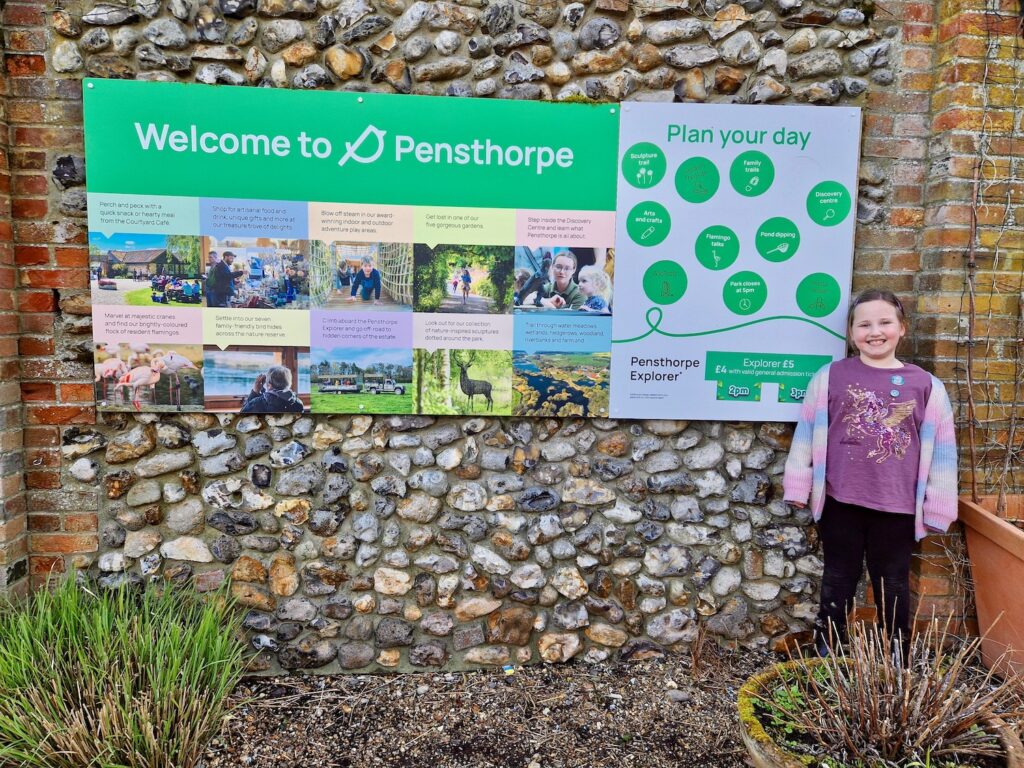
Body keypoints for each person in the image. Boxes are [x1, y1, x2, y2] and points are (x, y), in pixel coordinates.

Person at [783, 289, 957, 661]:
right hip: (840, 501)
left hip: (897, 506)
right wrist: (798, 483)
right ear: (851, 333)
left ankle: (896, 652)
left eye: (884, 322)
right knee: (837, 579)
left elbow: (943, 450)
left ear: (901, 328)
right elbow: (806, 431)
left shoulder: (926, 385)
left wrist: (938, 506)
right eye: (864, 324)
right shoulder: (830, 377)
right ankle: (827, 649)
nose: (874, 331)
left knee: (892, 582)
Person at [240, 364, 305, 413]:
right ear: (288, 383)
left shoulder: (257, 403)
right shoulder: (298, 403)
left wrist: (255, 392)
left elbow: (242, 415)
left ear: (269, 386)